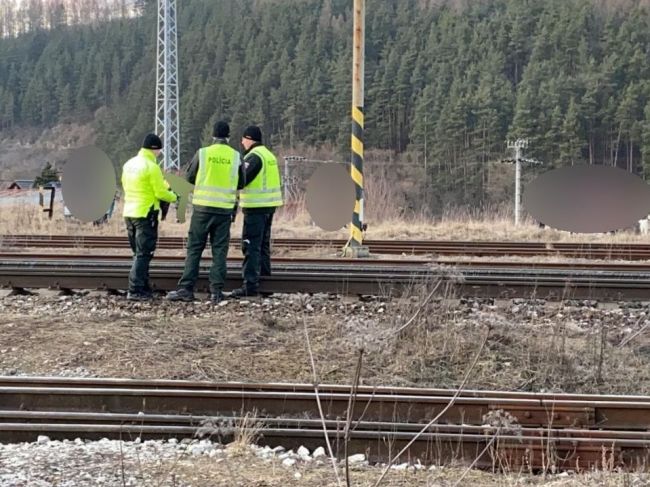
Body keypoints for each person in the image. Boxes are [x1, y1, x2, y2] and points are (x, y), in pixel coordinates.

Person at [166, 121, 243, 303]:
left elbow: (190, 177)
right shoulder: (236, 156)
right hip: (224, 210)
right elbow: (241, 182)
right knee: (219, 251)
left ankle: (186, 288)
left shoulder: (203, 153)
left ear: (213, 136)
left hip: (202, 209)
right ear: (228, 137)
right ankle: (216, 291)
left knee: (194, 249)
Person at [121, 134, 178, 301]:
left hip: (129, 212)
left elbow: (125, 184)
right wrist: (175, 197)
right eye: (159, 150)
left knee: (137, 253)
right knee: (144, 253)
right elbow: (160, 192)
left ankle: (143, 287)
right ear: (155, 149)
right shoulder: (151, 167)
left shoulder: (129, 164)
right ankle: (135, 290)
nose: (160, 153)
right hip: (145, 213)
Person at [230, 125, 283, 298]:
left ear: (250, 139)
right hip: (269, 206)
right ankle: (266, 282)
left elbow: (241, 180)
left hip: (255, 207)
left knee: (251, 245)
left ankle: (250, 285)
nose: (242, 142)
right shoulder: (268, 155)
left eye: (244, 139)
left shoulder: (254, 157)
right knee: (263, 246)